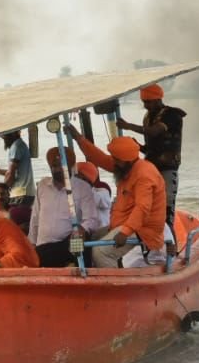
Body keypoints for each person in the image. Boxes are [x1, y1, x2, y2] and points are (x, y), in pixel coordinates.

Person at [64, 128, 166, 269]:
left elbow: (142, 208)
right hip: (124, 224)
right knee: (91, 237)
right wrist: (79, 139)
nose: (113, 162)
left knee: (100, 253)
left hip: (143, 230)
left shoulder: (144, 175)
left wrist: (125, 232)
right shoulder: (126, 166)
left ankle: (116, 285)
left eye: (116, 159)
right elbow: (99, 158)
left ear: (126, 161)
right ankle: (87, 276)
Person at [116, 84, 185, 225]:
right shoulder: (148, 118)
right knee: (148, 206)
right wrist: (137, 146)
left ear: (158, 99)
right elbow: (150, 149)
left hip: (167, 168)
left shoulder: (172, 115)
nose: (146, 106)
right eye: (144, 102)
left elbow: (154, 131)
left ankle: (171, 243)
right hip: (150, 169)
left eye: (148, 102)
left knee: (166, 209)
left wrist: (129, 126)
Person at [29, 146, 100, 267]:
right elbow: (35, 217)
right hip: (43, 247)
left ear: (71, 166)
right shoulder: (42, 185)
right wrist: (31, 243)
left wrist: (82, 230)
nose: (58, 169)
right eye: (54, 166)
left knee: (79, 247)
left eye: (61, 166)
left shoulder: (82, 188)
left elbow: (91, 219)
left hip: (68, 244)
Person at [0, 130, 34, 207]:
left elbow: (11, 175)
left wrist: (2, 190)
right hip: (26, 193)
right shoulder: (20, 144)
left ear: (14, 133)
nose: (3, 137)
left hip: (20, 194)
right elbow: (16, 173)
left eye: (4, 136)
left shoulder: (16, 146)